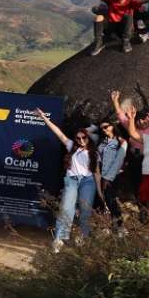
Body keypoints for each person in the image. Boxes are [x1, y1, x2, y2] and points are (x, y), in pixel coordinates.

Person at [36, 108, 102, 253]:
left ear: (88, 138)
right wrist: (43, 117)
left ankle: (82, 237)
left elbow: (96, 173)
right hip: (71, 180)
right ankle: (59, 239)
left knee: (85, 210)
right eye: (78, 138)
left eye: (83, 138)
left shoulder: (94, 153)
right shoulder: (71, 145)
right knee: (66, 208)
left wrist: (100, 191)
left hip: (88, 181)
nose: (81, 141)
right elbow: (58, 132)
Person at [111, 90, 149, 198]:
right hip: (135, 158)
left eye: (144, 121)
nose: (142, 123)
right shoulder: (131, 125)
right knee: (136, 181)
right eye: (139, 121)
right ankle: (140, 201)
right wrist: (115, 101)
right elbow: (120, 115)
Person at [96, 119, 128, 235]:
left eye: (106, 127)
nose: (103, 130)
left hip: (114, 176)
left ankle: (120, 226)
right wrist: (97, 127)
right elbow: (87, 131)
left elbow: (118, 161)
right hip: (100, 174)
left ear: (113, 126)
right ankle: (105, 226)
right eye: (101, 128)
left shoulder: (121, 141)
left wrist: (108, 178)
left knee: (111, 200)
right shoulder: (100, 141)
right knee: (102, 200)